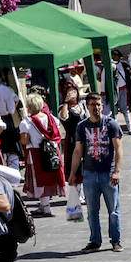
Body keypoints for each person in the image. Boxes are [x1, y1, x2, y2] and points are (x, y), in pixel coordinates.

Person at [69, 93, 124, 253]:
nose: (96, 107)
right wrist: (73, 173)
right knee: (92, 211)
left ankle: (116, 240)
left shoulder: (111, 124)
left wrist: (117, 171)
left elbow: (119, 148)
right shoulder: (82, 126)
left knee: (113, 210)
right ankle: (95, 241)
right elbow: (78, 151)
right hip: (90, 174)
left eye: (99, 104)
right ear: (87, 106)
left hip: (108, 174)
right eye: (93, 104)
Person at [18, 94, 66, 218]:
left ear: (29, 107)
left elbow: (24, 141)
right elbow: (59, 134)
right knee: (48, 178)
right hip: (52, 152)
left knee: (39, 181)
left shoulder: (26, 122)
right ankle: (43, 205)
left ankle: (46, 208)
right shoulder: (52, 119)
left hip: (35, 153)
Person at [57, 86, 87, 222]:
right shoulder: (64, 108)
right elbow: (63, 117)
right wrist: (66, 102)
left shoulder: (82, 105)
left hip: (84, 138)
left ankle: (82, 194)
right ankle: (76, 194)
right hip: (72, 139)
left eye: (73, 91)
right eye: (69, 92)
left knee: (84, 165)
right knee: (74, 165)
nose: (72, 94)